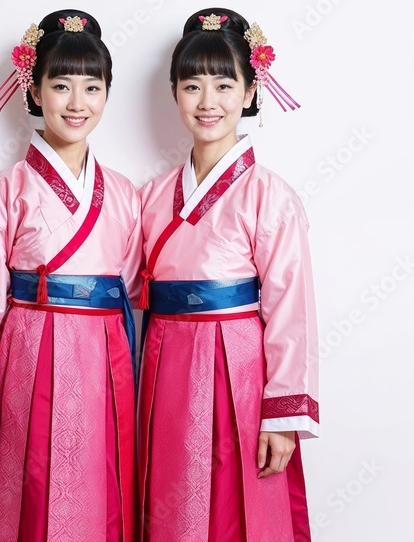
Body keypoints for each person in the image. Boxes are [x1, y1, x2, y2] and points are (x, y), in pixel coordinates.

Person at [0, 9, 142, 541]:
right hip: (31, 348)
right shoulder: (3, 191)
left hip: (105, 354)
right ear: (33, 90)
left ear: (106, 95)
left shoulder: (123, 193)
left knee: (102, 481)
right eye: (60, 86)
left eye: (91, 88)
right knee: (32, 480)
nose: (77, 103)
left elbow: (134, 285)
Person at [136, 8, 317, 541]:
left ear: (248, 91)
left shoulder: (270, 195)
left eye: (223, 83)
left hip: (239, 366)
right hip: (165, 360)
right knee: (170, 500)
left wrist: (282, 415)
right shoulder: (151, 196)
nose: (207, 101)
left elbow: (291, 307)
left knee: (238, 504)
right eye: (192, 85)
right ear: (174, 94)